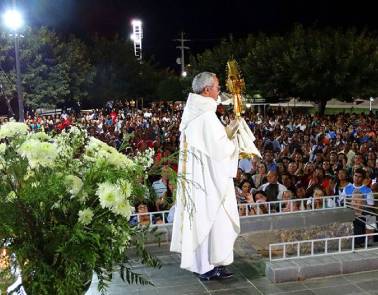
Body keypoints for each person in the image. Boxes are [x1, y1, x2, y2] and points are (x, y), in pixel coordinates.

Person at [170, 72, 240, 281]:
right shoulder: (206, 117)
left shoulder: (195, 113)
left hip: (203, 177)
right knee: (207, 221)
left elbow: (210, 146)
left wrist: (226, 134)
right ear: (207, 90)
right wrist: (233, 137)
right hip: (208, 180)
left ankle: (213, 264)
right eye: (217, 87)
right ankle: (205, 267)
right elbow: (220, 150)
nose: (219, 91)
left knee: (211, 222)